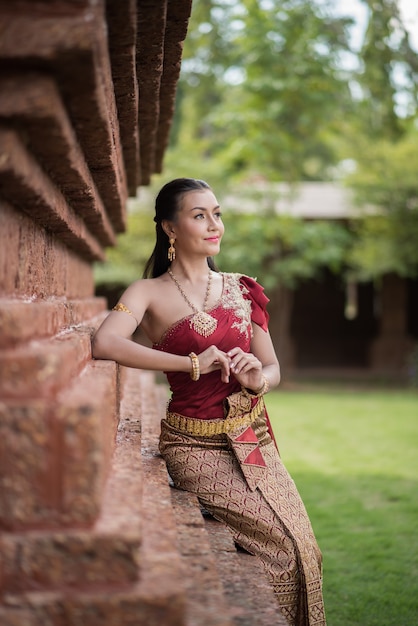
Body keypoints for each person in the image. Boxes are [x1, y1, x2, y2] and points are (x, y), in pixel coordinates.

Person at [92, 178, 326, 626]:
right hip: (194, 445)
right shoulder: (147, 292)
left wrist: (258, 380)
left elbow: (272, 367)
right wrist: (190, 365)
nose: (214, 224)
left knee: (306, 550)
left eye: (216, 213)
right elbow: (106, 343)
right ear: (169, 228)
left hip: (251, 437)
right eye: (199, 215)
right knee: (278, 550)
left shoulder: (243, 289)